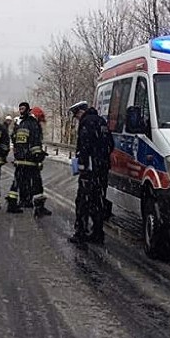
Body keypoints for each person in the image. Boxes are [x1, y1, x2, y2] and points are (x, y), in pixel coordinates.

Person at [68, 100, 114, 245]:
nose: (76, 119)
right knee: (98, 202)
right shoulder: (101, 122)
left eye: (76, 116)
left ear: (80, 112)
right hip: (102, 170)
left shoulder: (86, 122)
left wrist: (82, 165)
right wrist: (101, 159)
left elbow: (84, 146)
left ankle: (80, 233)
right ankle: (97, 233)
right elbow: (110, 144)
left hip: (90, 170)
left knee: (83, 202)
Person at [9, 102, 50, 217]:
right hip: (30, 160)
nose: (41, 122)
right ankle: (39, 207)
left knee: (18, 181)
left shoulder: (20, 124)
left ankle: (14, 203)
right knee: (37, 183)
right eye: (40, 119)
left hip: (20, 159)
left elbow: (14, 139)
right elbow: (35, 144)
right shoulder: (34, 124)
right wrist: (39, 157)